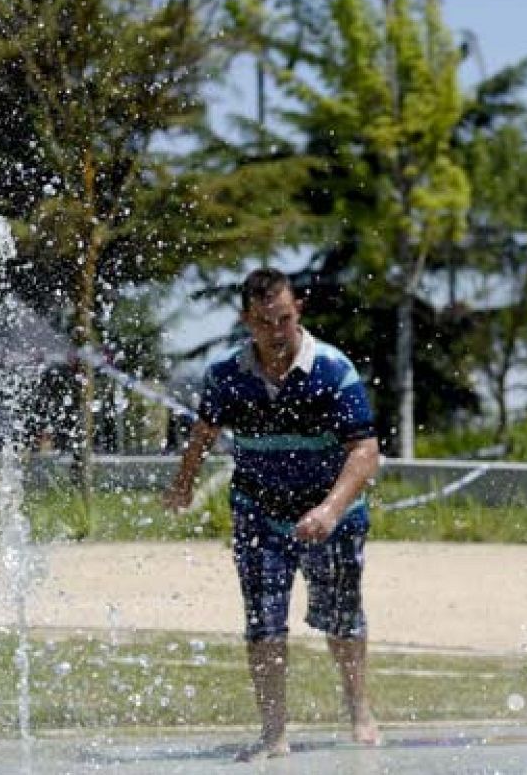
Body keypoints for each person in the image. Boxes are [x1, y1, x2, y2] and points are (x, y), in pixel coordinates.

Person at [163, 268, 382, 761]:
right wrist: (183, 484)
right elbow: (203, 432)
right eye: (265, 323)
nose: (277, 332)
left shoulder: (332, 368)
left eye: (284, 319)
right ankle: (274, 732)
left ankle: (358, 708)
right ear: (247, 320)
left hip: (334, 518)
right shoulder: (226, 375)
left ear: (297, 309)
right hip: (259, 514)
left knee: (341, 620)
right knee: (263, 624)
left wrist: (329, 509)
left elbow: (365, 451)